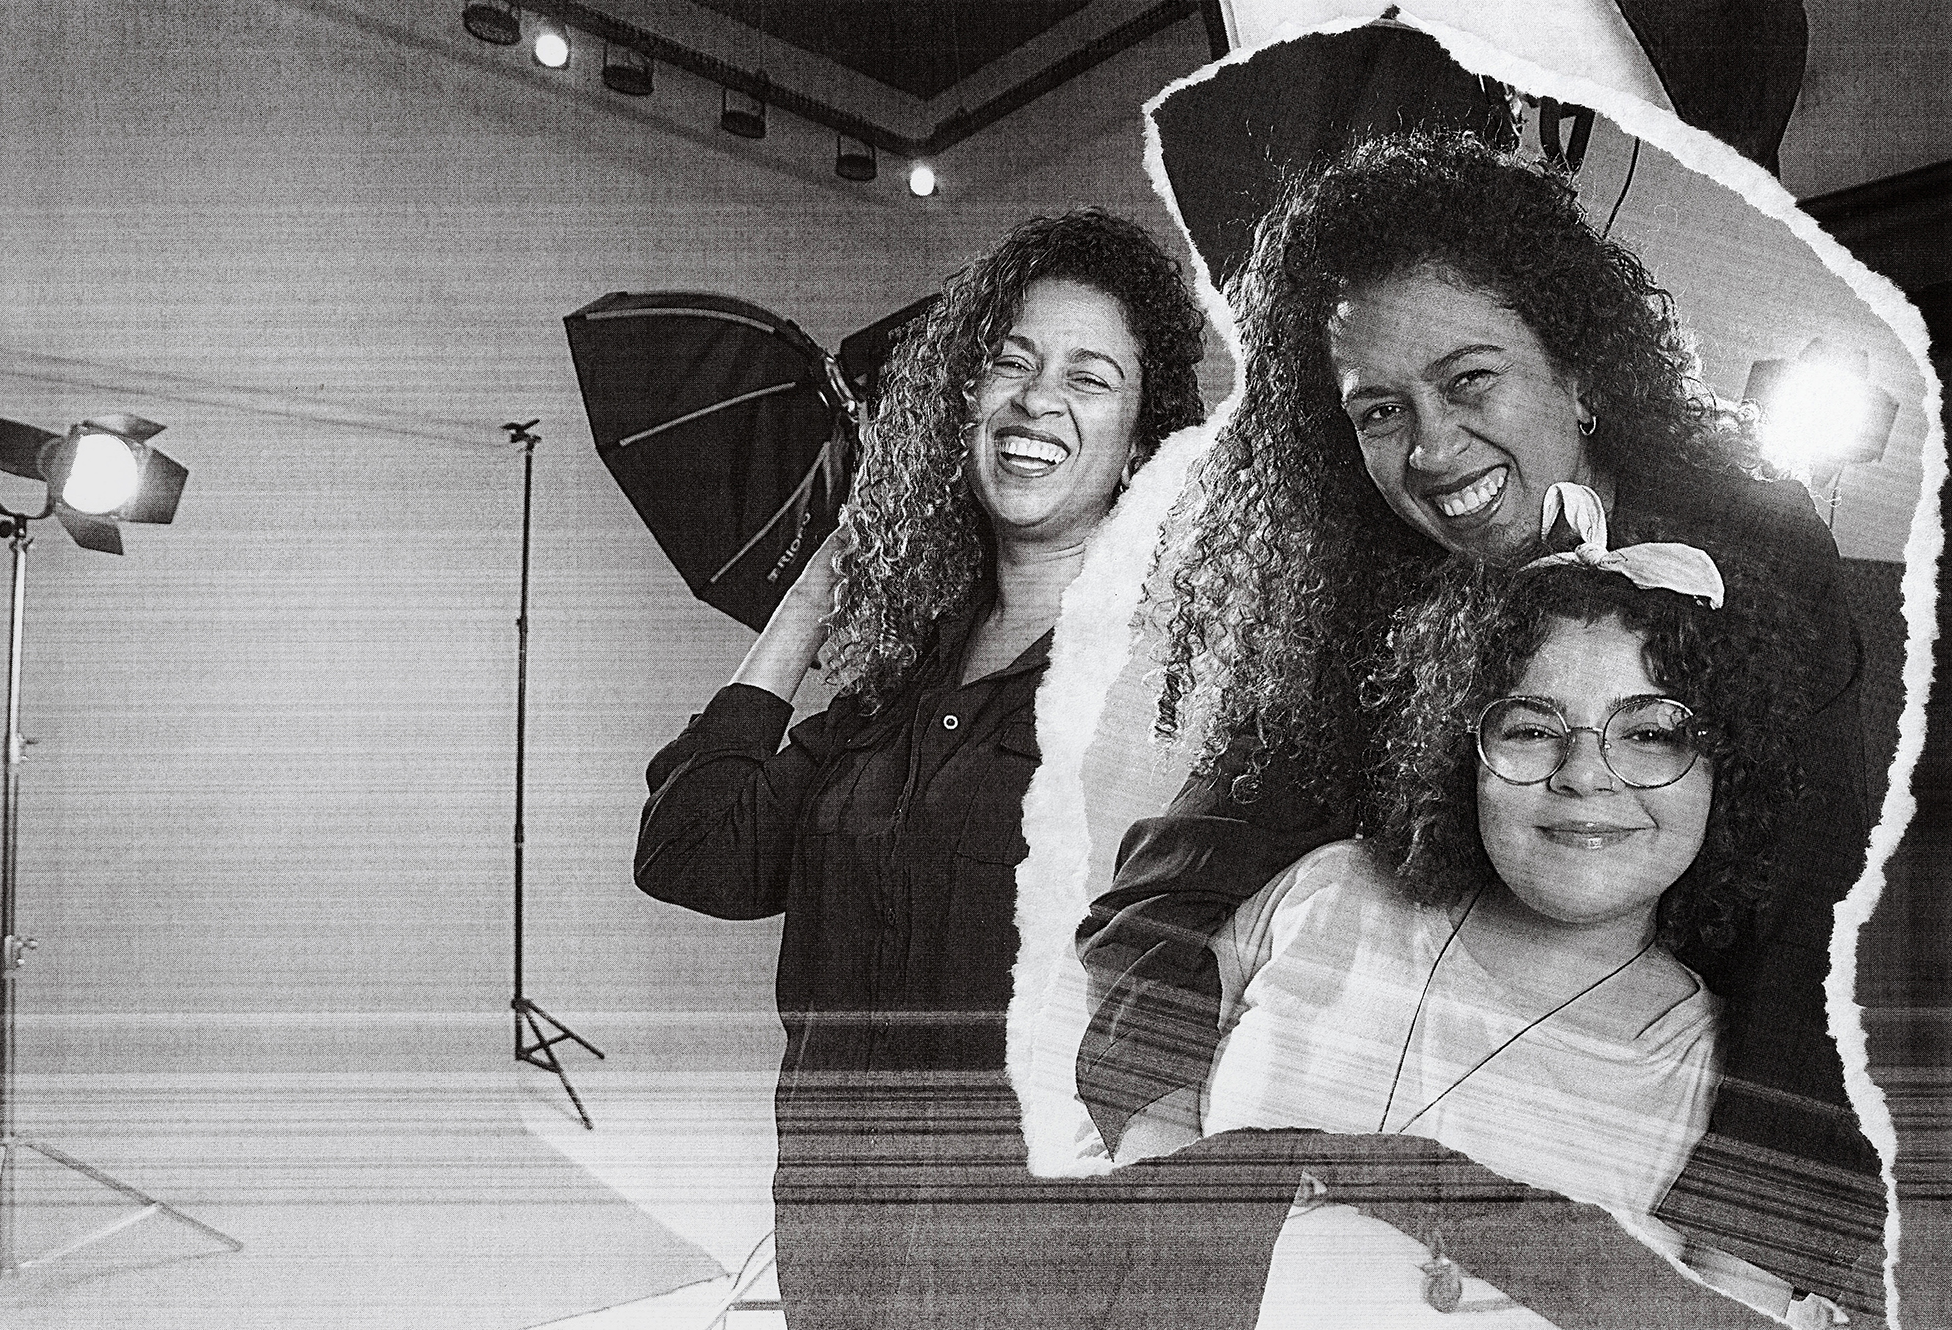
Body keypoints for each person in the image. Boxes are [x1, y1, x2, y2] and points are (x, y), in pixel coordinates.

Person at [1075, 130, 1882, 1316]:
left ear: (1579, 372)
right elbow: (1178, 884)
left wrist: (1735, 1271)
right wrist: (1173, 1190)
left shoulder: (1752, 546)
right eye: (1378, 409)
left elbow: (1814, 923)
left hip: (1646, 1103)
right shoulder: (1358, 585)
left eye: (1468, 381)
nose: (1431, 450)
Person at [635, 207, 1207, 1328]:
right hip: (837, 1249)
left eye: (1089, 378)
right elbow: (690, 853)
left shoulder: (1160, 698)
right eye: (1011, 363)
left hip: (1034, 1274)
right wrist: (815, 592)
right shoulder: (892, 691)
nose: (1036, 400)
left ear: (1141, 444)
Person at [1096, 491, 1846, 1328]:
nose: (1584, 775)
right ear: (1462, 752)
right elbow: (1125, 1144)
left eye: (1648, 734)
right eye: (1531, 729)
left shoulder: (1712, 1075)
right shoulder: (1327, 893)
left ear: (1725, 772)